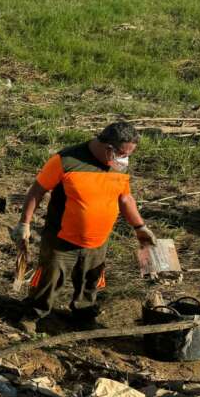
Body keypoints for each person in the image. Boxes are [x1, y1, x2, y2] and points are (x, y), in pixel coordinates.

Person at [11, 122, 156, 334]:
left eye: (129, 155)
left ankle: (84, 315)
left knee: (91, 281)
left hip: (98, 241)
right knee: (48, 279)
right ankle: (33, 314)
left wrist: (140, 226)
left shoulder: (118, 164)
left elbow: (125, 198)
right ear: (108, 148)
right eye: (123, 154)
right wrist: (24, 223)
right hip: (61, 238)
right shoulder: (66, 160)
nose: (125, 160)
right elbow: (37, 191)